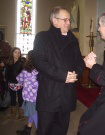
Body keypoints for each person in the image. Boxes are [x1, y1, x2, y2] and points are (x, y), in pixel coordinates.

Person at [33, 6, 85, 135]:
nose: (69, 23)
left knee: (61, 130)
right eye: (65, 20)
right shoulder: (42, 37)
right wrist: (63, 75)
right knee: (44, 131)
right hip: (49, 95)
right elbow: (40, 62)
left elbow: (79, 61)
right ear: (54, 21)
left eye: (69, 20)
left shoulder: (73, 40)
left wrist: (75, 74)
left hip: (67, 95)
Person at [16, 50, 38, 135]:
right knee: (32, 112)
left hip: (29, 97)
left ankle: (40, 131)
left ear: (28, 58)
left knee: (33, 114)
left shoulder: (25, 71)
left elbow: (19, 80)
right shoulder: (39, 71)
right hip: (38, 96)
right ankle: (28, 130)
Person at [5, 47, 24, 120]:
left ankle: (21, 113)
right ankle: (13, 113)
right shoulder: (9, 62)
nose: (17, 54)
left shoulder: (22, 63)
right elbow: (7, 73)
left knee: (20, 98)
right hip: (11, 83)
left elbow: (23, 74)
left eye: (19, 52)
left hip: (19, 83)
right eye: (15, 52)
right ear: (12, 53)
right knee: (12, 98)